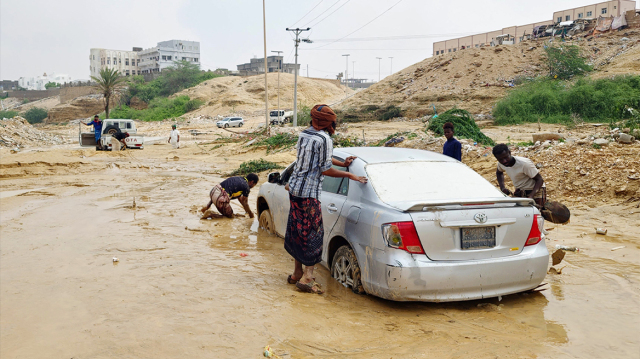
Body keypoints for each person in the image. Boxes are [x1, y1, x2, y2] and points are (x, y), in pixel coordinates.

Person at [285, 104, 367, 295]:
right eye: (332, 123)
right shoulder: (325, 139)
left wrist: (343, 164)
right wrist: (350, 175)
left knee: (298, 231)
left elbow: (320, 160)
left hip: (295, 190)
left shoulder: (304, 134)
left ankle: (297, 273)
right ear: (327, 123)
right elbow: (324, 169)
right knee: (314, 235)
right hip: (309, 195)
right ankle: (307, 279)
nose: (333, 126)